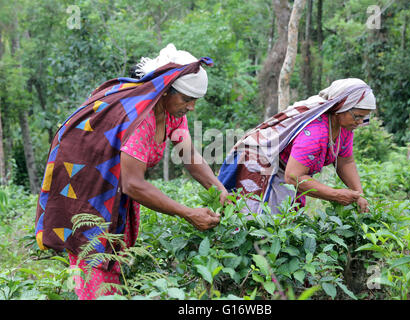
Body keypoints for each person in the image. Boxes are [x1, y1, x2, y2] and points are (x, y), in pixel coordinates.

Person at [34, 44, 228, 299]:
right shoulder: (142, 119)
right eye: (187, 99)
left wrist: (220, 189)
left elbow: (188, 154)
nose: (191, 107)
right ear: (165, 90)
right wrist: (188, 213)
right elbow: (133, 185)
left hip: (117, 195)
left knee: (116, 267)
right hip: (92, 193)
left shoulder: (173, 114)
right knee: (96, 265)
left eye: (194, 101)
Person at [218, 78, 376, 215]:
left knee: (286, 220)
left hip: (287, 168)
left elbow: (345, 160)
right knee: (254, 220)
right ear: (340, 108)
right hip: (260, 164)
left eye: (365, 117)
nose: (360, 122)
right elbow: (294, 177)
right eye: (358, 116)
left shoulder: (345, 127)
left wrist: (359, 194)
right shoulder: (316, 132)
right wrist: (335, 195)